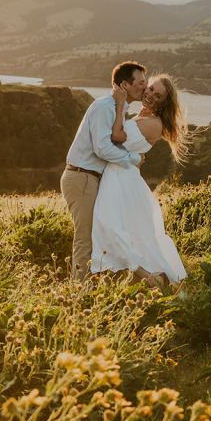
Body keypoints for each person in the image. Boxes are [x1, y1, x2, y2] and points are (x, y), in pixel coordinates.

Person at [89, 73, 190, 286]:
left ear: (164, 103)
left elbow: (114, 138)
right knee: (118, 228)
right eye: (151, 88)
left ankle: (149, 277)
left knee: (109, 226)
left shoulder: (154, 123)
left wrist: (118, 103)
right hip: (119, 175)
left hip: (121, 179)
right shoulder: (142, 115)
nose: (152, 95)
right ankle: (132, 277)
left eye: (159, 96)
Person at [61, 61, 148, 280]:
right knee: (85, 238)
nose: (144, 87)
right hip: (82, 177)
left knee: (99, 235)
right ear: (124, 85)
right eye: (140, 82)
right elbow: (102, 148)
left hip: (92, 178)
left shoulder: (118, 108)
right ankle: (78, 294)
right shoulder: (104, 107)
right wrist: (133, 159)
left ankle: (93, 286)